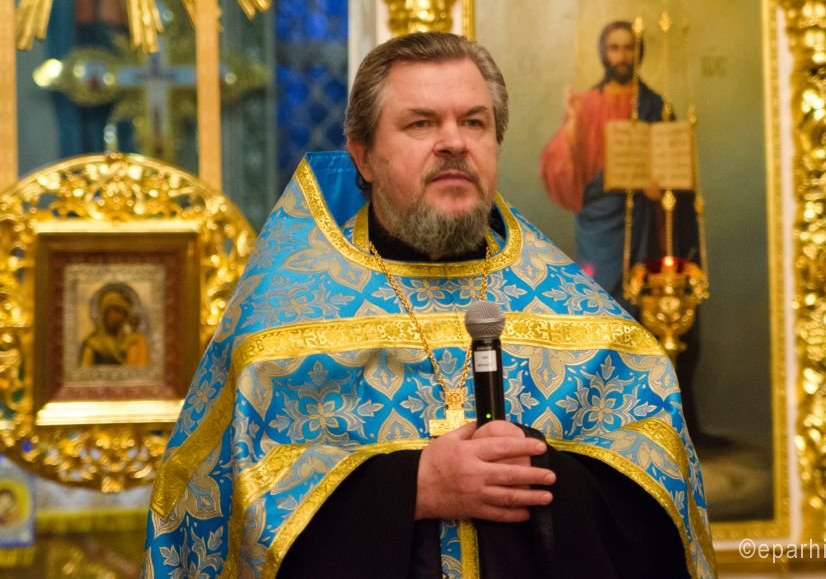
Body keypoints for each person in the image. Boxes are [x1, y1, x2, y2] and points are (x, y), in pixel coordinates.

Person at [143, 32, 713, 577]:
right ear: (363, 156)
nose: (454, 142)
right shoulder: (279, 325)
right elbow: (221, 515)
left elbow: (657, 521)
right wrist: (412, 488)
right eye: (421, 123)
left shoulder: (593, 328)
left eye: (474, 122)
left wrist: (537, 471)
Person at [540, 21, 708, 445]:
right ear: (604, 53)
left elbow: (677, 172)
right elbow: (564, 172)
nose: (621, 56)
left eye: (628, 48)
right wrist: (573, 125)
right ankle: (602, 421)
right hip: (602, 226)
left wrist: (660, 189)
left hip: (648, 230)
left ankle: (658, 419)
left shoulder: (656, 106)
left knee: (647, 314)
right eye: (614, 48)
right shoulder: (587, 105)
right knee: (602, 311)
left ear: (639, 52)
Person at [79, 286, 149, 367]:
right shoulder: (92, 344)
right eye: (115, 311)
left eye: (123, 313)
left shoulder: (132, 341)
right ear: (104, 313)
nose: (119, 317)